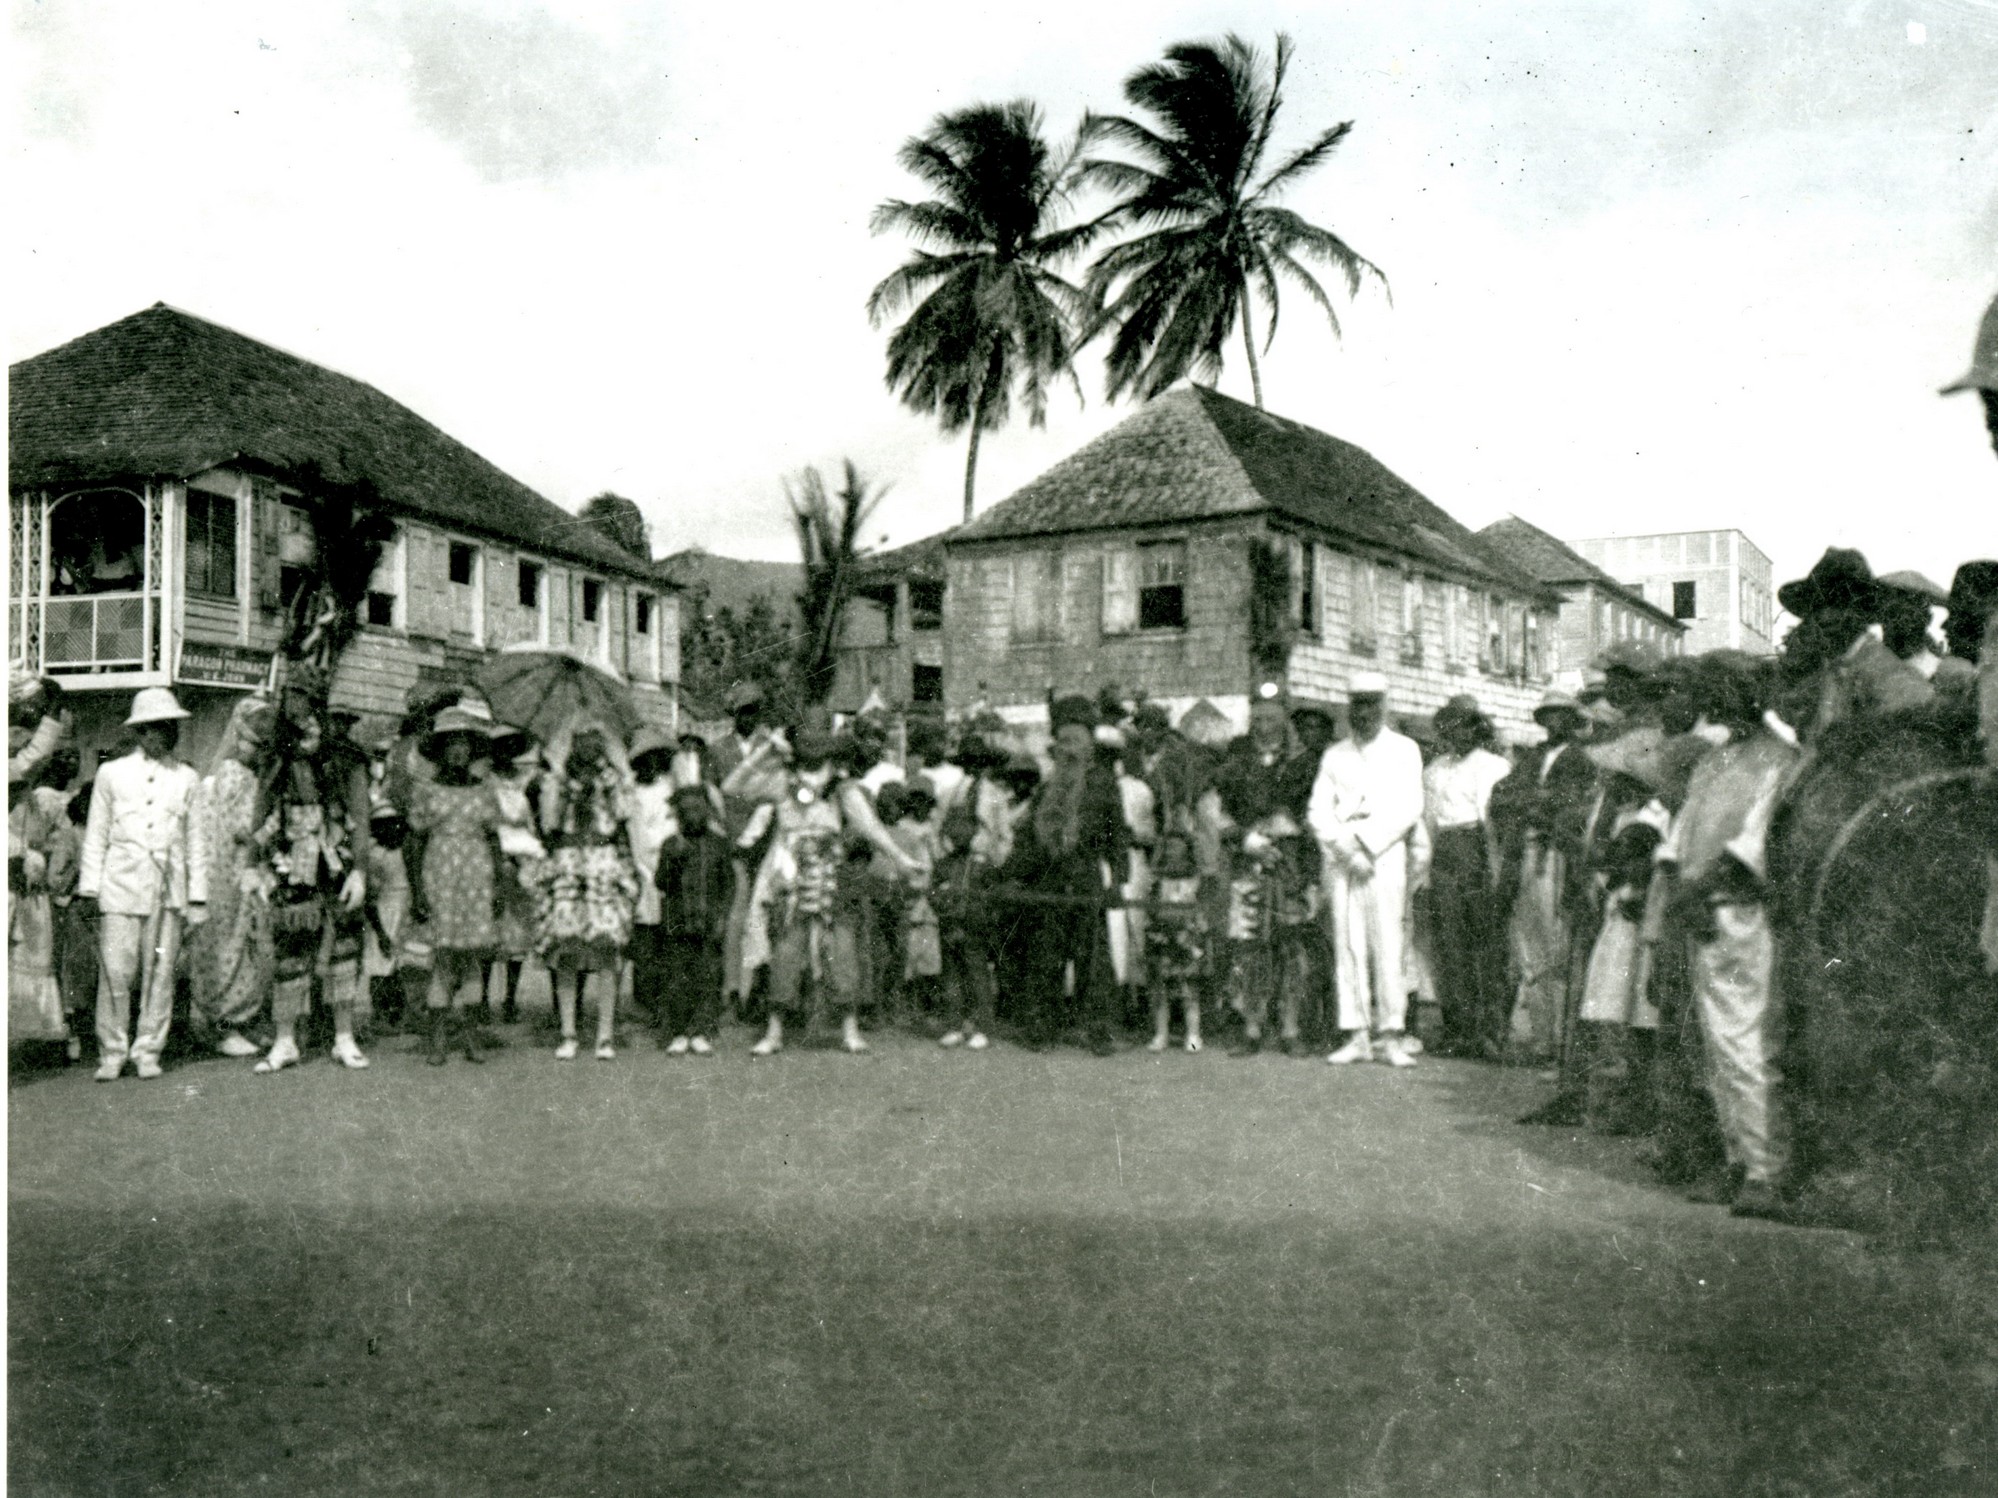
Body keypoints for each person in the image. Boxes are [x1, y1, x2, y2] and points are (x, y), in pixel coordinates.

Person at [1659, 653, 1800, 1221]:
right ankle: (1736, 1159)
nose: (1716, 703)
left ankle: (1767, 1168)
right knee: (1714, 1046)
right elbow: (1680, 834)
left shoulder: (1780, 761)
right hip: (1698, 910)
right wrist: (1677, 889)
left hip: (1742, 914)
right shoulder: (1713, 762)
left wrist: (1699, 893)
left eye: (1725, 691)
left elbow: (1752, 847)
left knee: (1747, 1041)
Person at [744, 724, 922, 1056]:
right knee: (785, 951)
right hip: (790, 875)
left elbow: (870, 827)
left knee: (841, 951)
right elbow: (735, 787)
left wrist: (900, 858)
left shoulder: (842, 789)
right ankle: (774, 1031)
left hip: (830, 875)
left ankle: (849, 1030)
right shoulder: (782, 781)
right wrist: (767, 751)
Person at [246, 670, 374, 1075]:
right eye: (292, 697)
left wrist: (360, 872)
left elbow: (360, 815)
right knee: (290, 951)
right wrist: (253, 866)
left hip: (335, 862)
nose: (298, 707)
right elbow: (261, 811)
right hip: (290, 863)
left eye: (305, 698)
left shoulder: (346, 757)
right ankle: (285, 1041)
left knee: (343, 952)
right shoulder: (276, 756)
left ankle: (343, 1037)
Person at [78, 688, 206, 1080]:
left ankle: (148, 1049)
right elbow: (96, 835)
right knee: (117, 971)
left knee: (160, 972)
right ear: (141, 731)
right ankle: (112, 1052)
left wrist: (198, 897)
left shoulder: (187, 777)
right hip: (120, 886)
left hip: (167, 891)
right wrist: (89, 888)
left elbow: (195, 842)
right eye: (159, 727)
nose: (168, 735)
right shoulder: (111, 773)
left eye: (172, 727)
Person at [1308, 672, 1426, 1067]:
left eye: (1373, 703)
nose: (1366, 712)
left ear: (1384, 705)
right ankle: (1357, 1033)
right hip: (1343, 856)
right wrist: (1344, 847)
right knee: (1348, 943)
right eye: (1358, 704)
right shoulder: (1334, 754)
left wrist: (1368, 844)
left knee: (1387, 943)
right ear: (1349, 708)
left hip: (1384, 854)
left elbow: (1409, 806)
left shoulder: (1404, 749)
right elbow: (1318, 809)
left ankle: (1391, 1034)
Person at [1490, 690, 1598, 1065]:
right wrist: (1531, 805)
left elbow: (1571, 806)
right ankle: (1541, 1039)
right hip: (1526, 852)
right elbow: (1501, 796)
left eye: (1562, 715)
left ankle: (1561, 1041)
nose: (1554, 722)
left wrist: (1541, 806)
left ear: (1573, 720)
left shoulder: (1582, 760)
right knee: (1529, 949)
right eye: (1548, 715)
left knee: (1557, 945)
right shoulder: (1531, 757)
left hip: (1557, 857)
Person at [1211, 684, 1316, 1054]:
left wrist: (1306, 870)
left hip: (1289, 863)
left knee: (1290, 947)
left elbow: (1315, 818)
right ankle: (1252, 1028)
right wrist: (1246, 840)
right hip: (1249, 861)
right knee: (1250, 945)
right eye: (1257, 718)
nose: (1264, 725)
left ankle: (1289, 1029)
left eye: (1271, 718)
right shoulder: (1235, 763)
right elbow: (1219, 815)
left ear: (1284, 720)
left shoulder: (1305, 764)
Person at [526, 725, 639, 1061]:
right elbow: (549, 824)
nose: (588, 749)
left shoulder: (611, 778)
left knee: (606, 949)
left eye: (595, 743)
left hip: (602, 861)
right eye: (581, 743)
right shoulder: (558, 781)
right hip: (569, 862)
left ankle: (604, 1035)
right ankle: (568, 1032)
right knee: (567, 950)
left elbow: (622, 814)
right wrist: (560, 782)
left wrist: (609, 780)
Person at [406, 704, 505, 1066]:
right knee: (443, 958)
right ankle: (437, 1038)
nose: (459, 750)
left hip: (477, 877)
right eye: (452, 743)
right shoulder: (427, 789)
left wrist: (499, 887)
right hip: (441, 876)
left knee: (473, 959)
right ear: (442, 750)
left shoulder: (484, 789)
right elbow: (414, 841)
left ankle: (471, 1035)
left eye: (465, 743)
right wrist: (417, 890)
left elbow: (494, 840)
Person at [1420, 695, 1512, 1058]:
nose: (1456, 733)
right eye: (1449, 726)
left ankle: (1491, 1032)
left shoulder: (1492, 765)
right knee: (1450, 945)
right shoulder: (1434, 770)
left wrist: (1494, 867)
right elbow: (1428, 821)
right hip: (1443, 855)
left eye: (1464, 725)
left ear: (1478, 728)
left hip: (1477, 852)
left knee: (1486, 944)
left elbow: (1492, 821)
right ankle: (1458, 1028)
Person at [186, 693, 276, 1058]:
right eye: (252, 743)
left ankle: (239, 1021)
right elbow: (240, 828)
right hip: (227, 871)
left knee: (244, 947)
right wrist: (271, 827)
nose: (256, 750)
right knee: (228, 946)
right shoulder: (232, 775)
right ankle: (222, 1024)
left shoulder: (244, 775)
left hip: (239, 869)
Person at [1777, 548, 1933, 741]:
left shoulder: (1892, 678)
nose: (1826, 616)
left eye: (1840, 604)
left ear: (1863, 610)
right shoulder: (1825, 675)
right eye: (1818, 605)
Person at [710, 681, 778, 1012]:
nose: (749, 718)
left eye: (754, 711)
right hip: (732, 843)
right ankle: (732, 989)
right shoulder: (718, 750)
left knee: (767, 916)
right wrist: (728, 836)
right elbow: (713, 795)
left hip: (769, 844)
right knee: (735, 918)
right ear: (733, 715)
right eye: (743, 712)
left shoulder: (773, 749)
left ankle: (763, 989)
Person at [654, 782, 733, 1055]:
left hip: (708, 921)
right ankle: (678, 1031)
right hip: (677, 921)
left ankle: (700, 1030)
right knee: (676, 977)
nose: (692, 816)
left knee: (707, 976)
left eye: (698, 809)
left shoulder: (719, 845)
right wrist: (673, 860)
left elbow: (727, 885)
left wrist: (723, 917)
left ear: (708, 811)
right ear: (678, 814)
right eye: (685, 811)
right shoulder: (670, 844)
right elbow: (660, 883)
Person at [11, 752, 80, 1053]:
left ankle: (40, 1028)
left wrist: (34, 860)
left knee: (37, 955)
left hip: (32, 898)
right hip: (16, 894)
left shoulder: (33, 812)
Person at [481, 723, 543, 1031]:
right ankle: (480, 999)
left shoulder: (523, 783)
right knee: (490, 928)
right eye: (500, 748)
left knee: (517, 932)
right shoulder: (485, 782)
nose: (506, 754)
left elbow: (529, 821)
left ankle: (509, 999)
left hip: (523, 856)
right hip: (494, 855)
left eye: (511, 747)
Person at [627, 728, 681, 1039]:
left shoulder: (670, 789)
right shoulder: (631, 792)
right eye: (643, 761)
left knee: (667, 939)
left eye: (655, 760)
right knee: (644, 942)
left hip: (668, 865)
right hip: (641, 867)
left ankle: (664, 1006)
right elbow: (633, 832)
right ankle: (645, 1003)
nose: (650, 766)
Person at [931, 797, 997, 1051]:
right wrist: (945, 908)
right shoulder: (943, 865)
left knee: (978, 977)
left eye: (965, 831)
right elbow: (933, 894)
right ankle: (954, 1026)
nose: (959, 836)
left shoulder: (982, 864)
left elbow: (992, 896)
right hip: (949, 927)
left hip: (975, 929)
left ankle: (982, 1027)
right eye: (954, 831)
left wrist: (981, 919)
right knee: (951, 978)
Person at [1144, 829, 1211, 1053]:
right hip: (1162, 937)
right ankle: (1161, 1034)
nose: (1173, 852)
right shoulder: (1156, 879)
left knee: (1189, 990)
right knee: (1160, 989)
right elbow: (1150, 910)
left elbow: (1202, 911)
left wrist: (1195, 934)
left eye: (1178, 848)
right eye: (1169, 847)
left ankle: (1193, 1036)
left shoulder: (1196, 879)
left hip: (1187, 939)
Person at [891, 781, 944, 1003]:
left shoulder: (933, 827)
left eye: (925, 802)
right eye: (916, 801)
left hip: (929, 890)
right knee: (909, 946)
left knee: (929, 946)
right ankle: (905, 997)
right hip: (910, 888)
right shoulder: (902, 826)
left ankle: (926, 999)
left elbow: (939, 856)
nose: (921, 806)